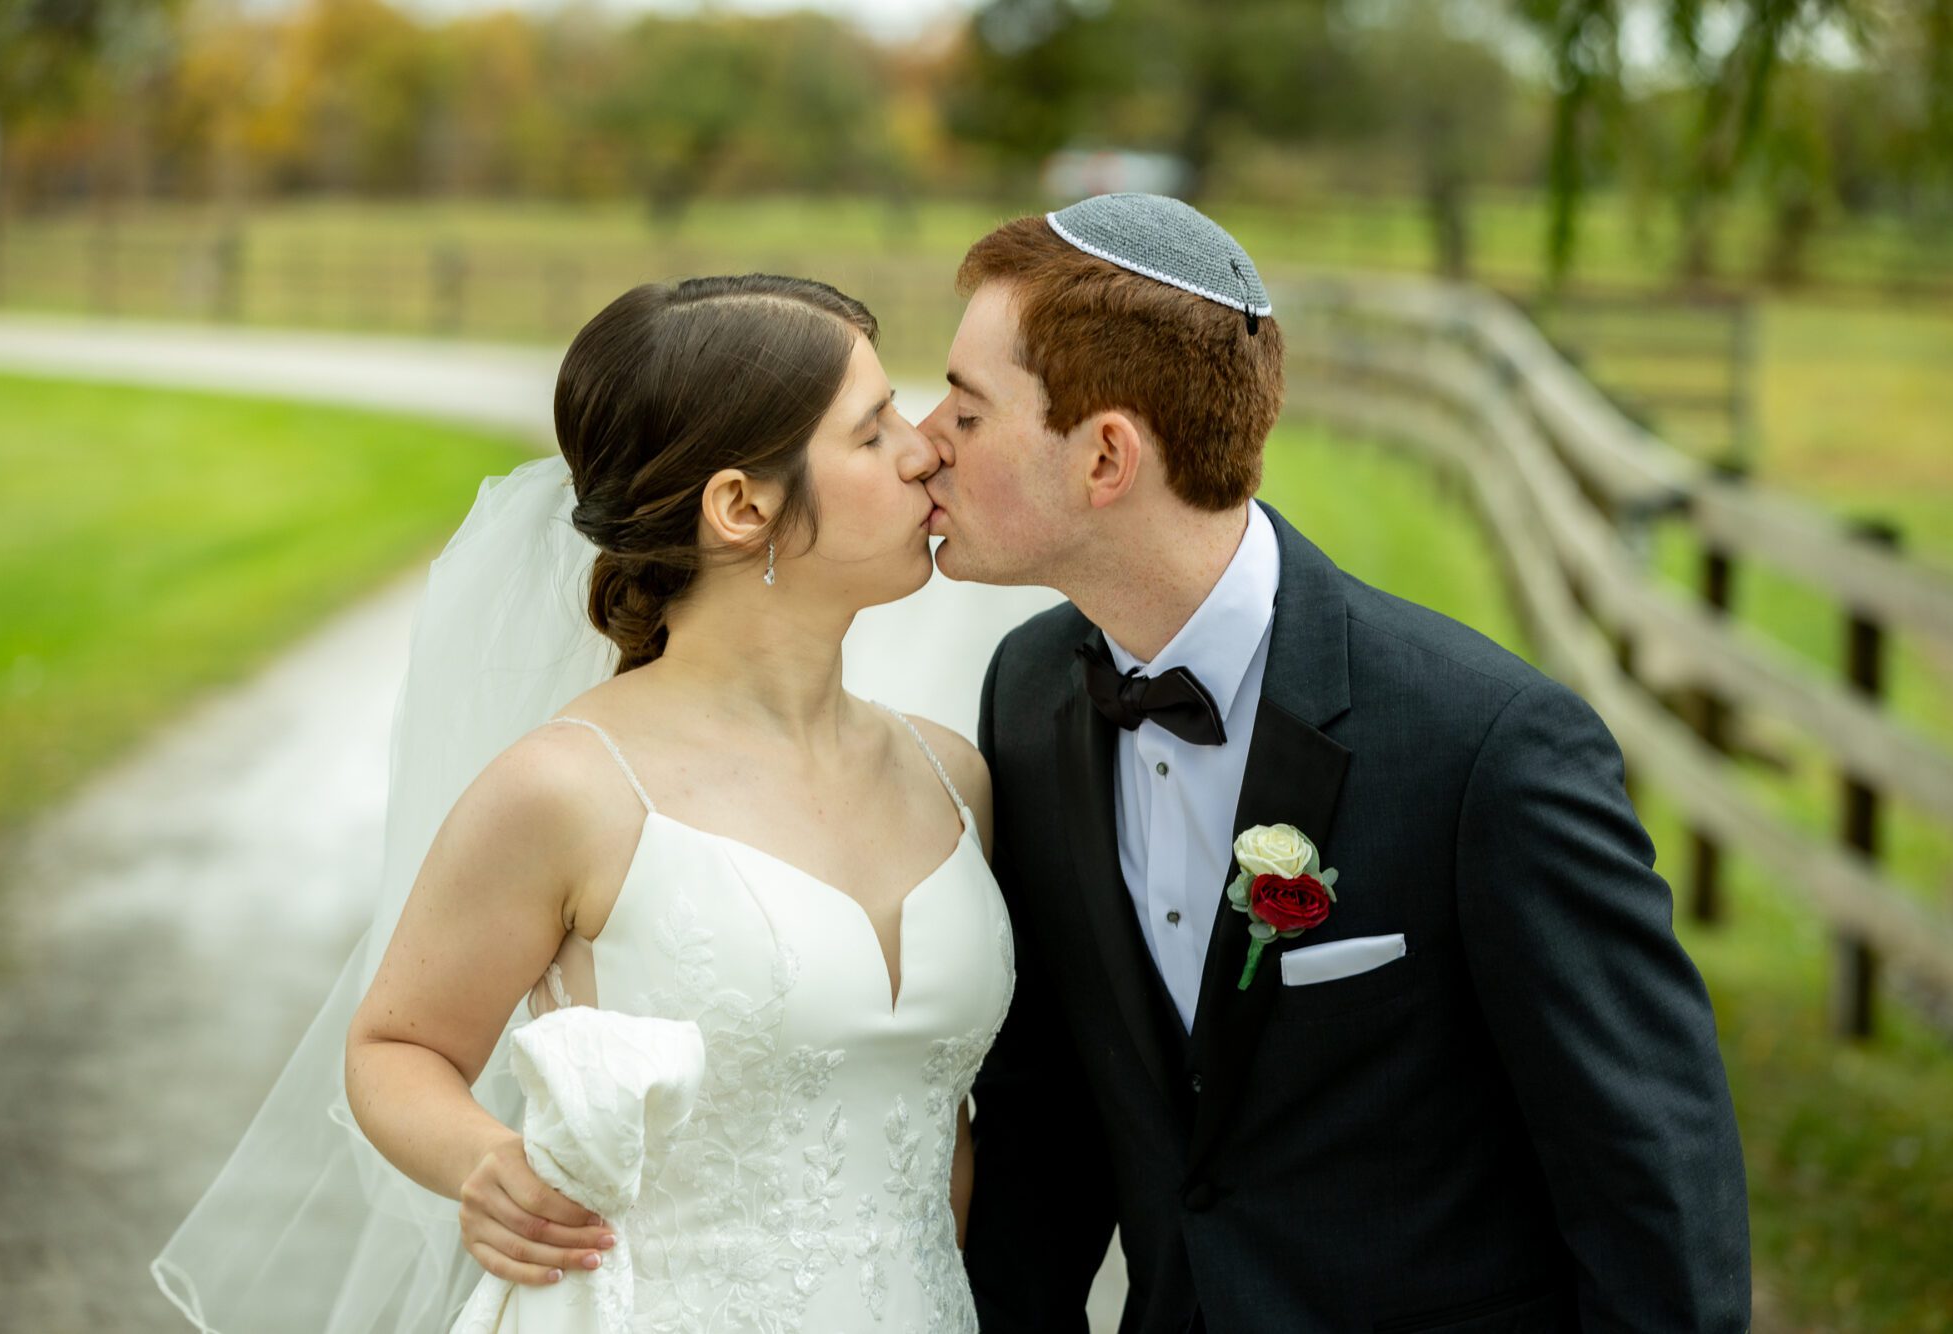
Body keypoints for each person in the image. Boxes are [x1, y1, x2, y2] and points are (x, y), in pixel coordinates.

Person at [923, 194, 1753, 1332]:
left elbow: (1651, 1181)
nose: (927, 440)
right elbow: (1051, 1112)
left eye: (966, 410)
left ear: (1106, 454)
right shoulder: (1028, 690)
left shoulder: (1488, 749)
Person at [152, 274, 1012, 1334]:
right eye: (873, 430)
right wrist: (485, 1162)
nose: (926, 446)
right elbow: (395, 1044)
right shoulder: (570, 787)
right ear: (741, 506)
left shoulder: (951, 778)